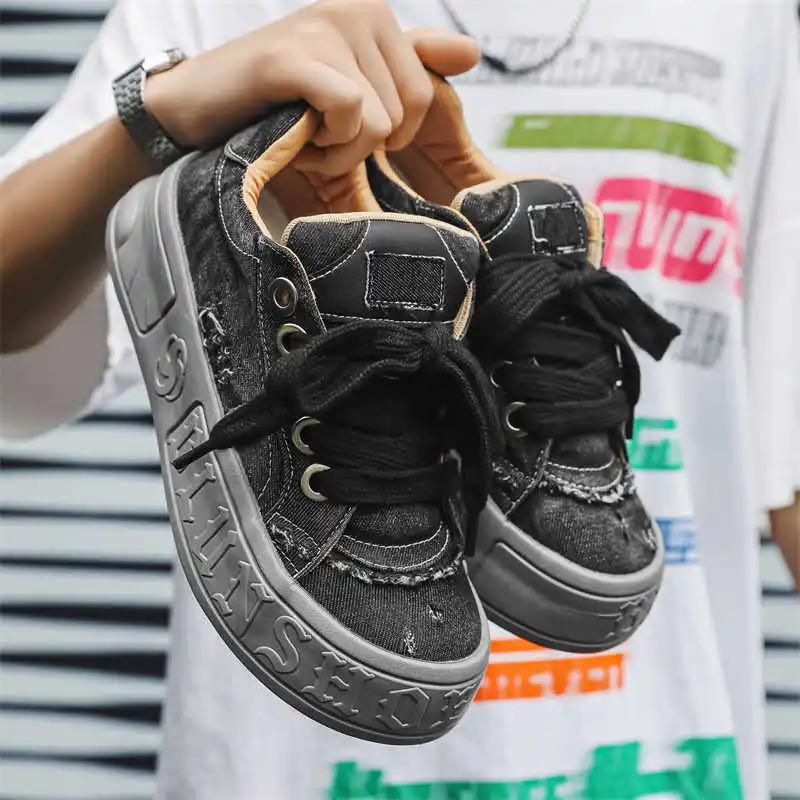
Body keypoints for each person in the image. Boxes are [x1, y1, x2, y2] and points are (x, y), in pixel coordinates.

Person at [1, 1, 798, 797]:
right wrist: (162, 116)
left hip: (683, 756)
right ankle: (233, 236)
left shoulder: (747, 17)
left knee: (497, 235)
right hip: (280, 773)